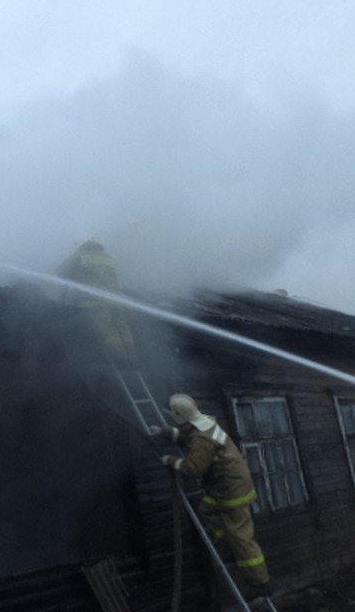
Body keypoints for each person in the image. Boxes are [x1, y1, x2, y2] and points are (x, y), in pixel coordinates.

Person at [151, 393, 272, 602]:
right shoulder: (202, 425)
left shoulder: (201, 438)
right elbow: (185, 435)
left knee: (242, 538)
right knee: (207, 510)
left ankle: (261, 584)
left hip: (231, 489)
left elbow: (194, 468)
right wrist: (163, 432)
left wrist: (170, 460)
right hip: (224, 487)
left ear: (181, 416)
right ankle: (229, 547)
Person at [56, 241, 137, 366]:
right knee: (123, 328)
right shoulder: (108, 258)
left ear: (84, 247)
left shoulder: (80, 255)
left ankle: (121, 359)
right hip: (117, 299)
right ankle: (132, 357)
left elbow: (61, 271)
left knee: (108, 331)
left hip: (96, 301)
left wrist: (75, 276)